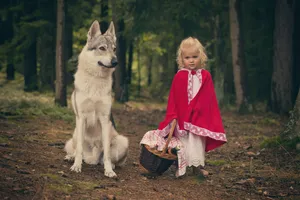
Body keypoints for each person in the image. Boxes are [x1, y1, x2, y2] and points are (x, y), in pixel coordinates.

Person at [140, 37, 227, 177]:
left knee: (197, 142)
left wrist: (199, 110)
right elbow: (174, 99)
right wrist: (173, 115)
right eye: (187, 57)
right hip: (182, 117)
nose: (191, 60)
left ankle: (197, 167)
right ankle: (180, 166)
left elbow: (208, 98)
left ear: (201, 56)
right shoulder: (179, 76)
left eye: (195, 57)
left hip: (199, 116)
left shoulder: (205, 76)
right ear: (182, 58)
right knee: (183, 143)